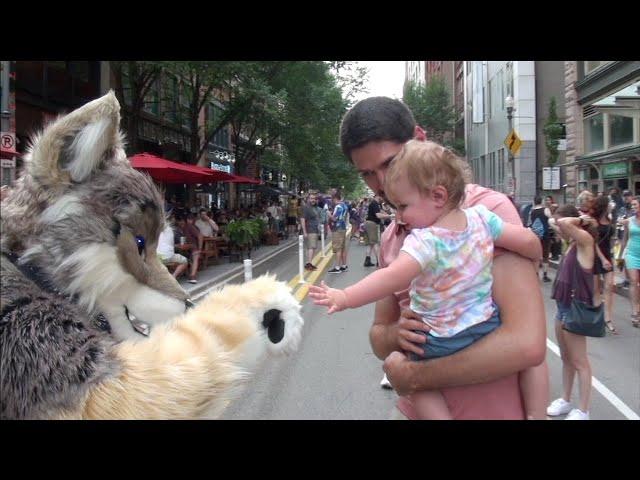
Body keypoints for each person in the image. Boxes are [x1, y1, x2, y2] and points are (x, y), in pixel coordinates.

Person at [338, 96, 547, 420]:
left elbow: (527, 344)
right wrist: (396, 334)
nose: (381, 184)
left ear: (420, 140)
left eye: (389, 163)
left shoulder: (485, 213)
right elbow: (380, 335)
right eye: (366, 174)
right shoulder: (394, 234)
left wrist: (415, 376)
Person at [546, 204, 599, 420]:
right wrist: (572, 221)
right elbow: (553, 221)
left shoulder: (585, 242)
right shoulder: (573, 242)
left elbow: (563, 222)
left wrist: (583, 220)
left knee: (580, 362)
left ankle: (583, 410)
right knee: (567, 358)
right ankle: (566, 400)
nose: (560, 228)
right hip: (563, 305)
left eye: (564, 223)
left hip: (575, 307)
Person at [591, 195, 618, 334]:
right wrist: (603, 259)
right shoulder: (594, 221)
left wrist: (614, 255)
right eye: (609, 203)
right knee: (596, 290)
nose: (611, 205)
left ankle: (607, 318)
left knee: (608, 287)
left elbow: (612, 239)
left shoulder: (610, 219)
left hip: (608, 255)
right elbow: (593, 242)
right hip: (597, 256)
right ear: (604, 205)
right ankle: (598, 319)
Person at [620, 196, 640, 327]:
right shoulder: (628, 221)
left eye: (635, 205)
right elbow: (624, 239)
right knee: (634, 281)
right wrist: (620, 256)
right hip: (631, 254)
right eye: (632, 205)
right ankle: (635, 312)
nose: (633, 207)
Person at [175, 213, 203, 283]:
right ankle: (180, 273)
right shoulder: (178, 229)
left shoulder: (189, 226)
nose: (181, 222)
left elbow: (200, 236)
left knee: (195, 255)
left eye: (182, 221)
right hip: (184, 248)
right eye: (179, 221)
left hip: (193, 247)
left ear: (185, 221)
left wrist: (200, 248)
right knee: (180, 255)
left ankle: (192, 276)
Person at [530, 196, 552, 282]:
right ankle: (545, 275)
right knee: (545, 255)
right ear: (542, 201)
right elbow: (551, 219)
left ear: (534, 202)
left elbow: (530, 223)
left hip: (535, 236)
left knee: (536, 256)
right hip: (545, 235)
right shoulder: (545, 210)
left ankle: (536, 274)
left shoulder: (532, 211)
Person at [327, 191, 350, 274]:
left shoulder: (338, 206)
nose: (332, 201)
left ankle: (337, 267)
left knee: (338, 248)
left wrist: (329, 214)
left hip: (337, 228)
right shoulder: (345, 206)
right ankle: (344, 265)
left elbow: (334, 218)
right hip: (343, 227)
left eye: (332, 199)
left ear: (335, 198)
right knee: (343, 247)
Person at [301, 193, 322, 271]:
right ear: (308, 199)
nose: (313, 200)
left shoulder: (315, 207)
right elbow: (302, 219)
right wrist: (304, 231)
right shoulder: (306, 208)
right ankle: (309, 264)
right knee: (311, 247)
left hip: (314, 229)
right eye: (311, 198)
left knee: (310, 247)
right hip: (310, 230)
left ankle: (308, 263)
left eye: (314, 198)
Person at [364, 195, 382, 267]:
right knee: (375, 243)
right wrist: (390, 216)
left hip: (368, 223)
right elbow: (378, 215)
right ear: (378, 196)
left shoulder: (374, 203)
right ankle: (379, 261)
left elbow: (380, 212)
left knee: (370, 244)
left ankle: (367, 261)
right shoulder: (375, 203)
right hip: (372, 224)